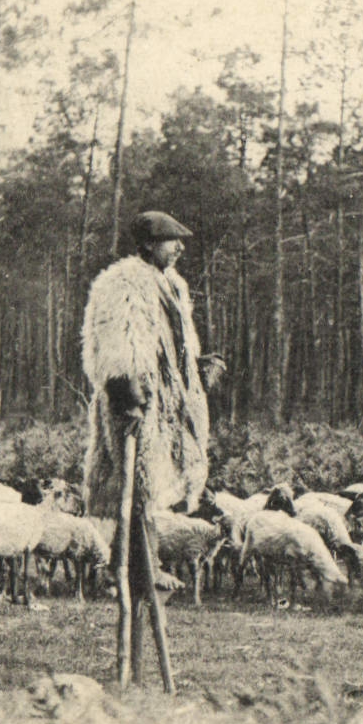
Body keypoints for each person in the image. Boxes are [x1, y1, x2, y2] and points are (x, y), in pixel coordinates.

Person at [81, 211, 219, 529]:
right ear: (147, 244)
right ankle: (132, 569)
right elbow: (118, 344)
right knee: (136, 486)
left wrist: (196, 368)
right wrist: (127, 394)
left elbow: (176, 343)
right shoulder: (123, 283)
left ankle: (157, 564)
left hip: (173, 404)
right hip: (140, 403)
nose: (180, 249)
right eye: (172, 241)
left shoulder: (173, 286)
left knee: (173, 483)